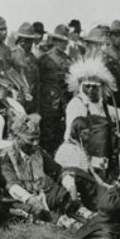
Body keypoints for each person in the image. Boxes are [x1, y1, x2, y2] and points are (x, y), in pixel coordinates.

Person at [0, 110, 88, 223]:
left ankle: (80, 212)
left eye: (37, 138)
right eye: (31, 140)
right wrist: (29, 199)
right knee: (33, 211)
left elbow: (58, 171)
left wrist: (71, 186)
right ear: (18, 139)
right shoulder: (6, 157)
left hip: (40, 193)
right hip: (19, 199)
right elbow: (12, 185)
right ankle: (60, 221)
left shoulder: (38, 151)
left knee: (61, 194)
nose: (36, 143)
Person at [64, 54, 120, 169]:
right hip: (83, 157)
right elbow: (72, 136)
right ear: (81, 86)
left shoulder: (105, 106)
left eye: (94, 87)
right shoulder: (77, 104)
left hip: (105, 156)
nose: (91, 90)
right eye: (87, 86)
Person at [38, 24, 72, 153]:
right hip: (48, 104)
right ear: (55, 41)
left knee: (60, 134)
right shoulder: (45, 59)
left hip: (63, 104)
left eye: (65, 41)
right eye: (61, 41)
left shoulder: (68, 60)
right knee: (47, 135)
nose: (64, 44)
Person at [11, 22, 41, 113]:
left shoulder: (33, 58)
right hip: (16, 102)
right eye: (30, 41)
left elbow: (36, 83)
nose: (32, 44)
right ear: (22, 41)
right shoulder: (12, 55)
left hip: (31, 103)